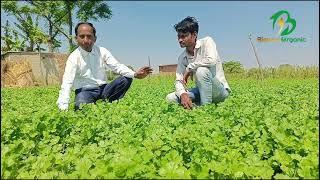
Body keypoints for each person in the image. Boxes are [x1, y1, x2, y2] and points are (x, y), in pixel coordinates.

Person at [57, 22, 152, 111]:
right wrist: (63, 107)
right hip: (85, 91)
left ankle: (106, 103)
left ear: (95, 38)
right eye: (82, 36)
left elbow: (117, 66)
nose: (86, 40)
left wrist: (135, 74)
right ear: (76, 38)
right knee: (81, 106)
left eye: (89, 36)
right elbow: (67, 82)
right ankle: (94, 104)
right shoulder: (73, 57)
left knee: (126, 78)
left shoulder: (102, 51)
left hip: (104, 89)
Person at [166, 17, 231, 109]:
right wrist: (183, 94)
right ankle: (197, 106)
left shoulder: (207, 42)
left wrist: (190, 67)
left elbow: (211, 60)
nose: (180, 40)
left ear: (194, 35)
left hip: (219, 91)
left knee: (201, 71)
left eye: (183, 36)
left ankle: (205, 109)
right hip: (201, 91)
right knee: (170, 98)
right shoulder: (182, 57)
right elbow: (178, 80)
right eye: (178, 37)